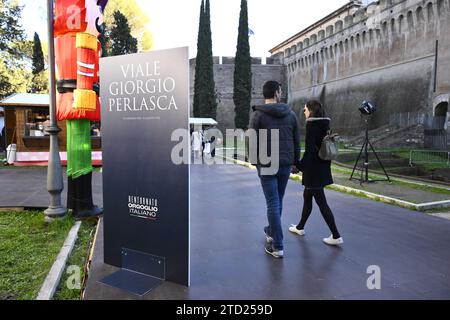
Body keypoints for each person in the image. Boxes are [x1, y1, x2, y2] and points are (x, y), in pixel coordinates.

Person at [250, 80, 301, 259]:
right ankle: (271, 231)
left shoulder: (258, 115)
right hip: (285, 165)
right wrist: (296, 162)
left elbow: (252, 141)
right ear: (277, 93)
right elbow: (296, 141)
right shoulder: (291, 115)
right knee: (277, 201)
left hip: (266, 165)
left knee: (272, 202)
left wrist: (255, 161)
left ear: (265, 94)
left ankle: (277, 245)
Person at [289, 100, 343, 246]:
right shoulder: (325, 125)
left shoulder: (311, 125)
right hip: (322, 167)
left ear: (311, 111)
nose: (304, 112)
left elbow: (309, 151)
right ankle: (300, 227)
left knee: (321, 203)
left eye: (305, 109)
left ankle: (336, 235)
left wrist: (299, 166)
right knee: (307, 196)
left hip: (314, 171)